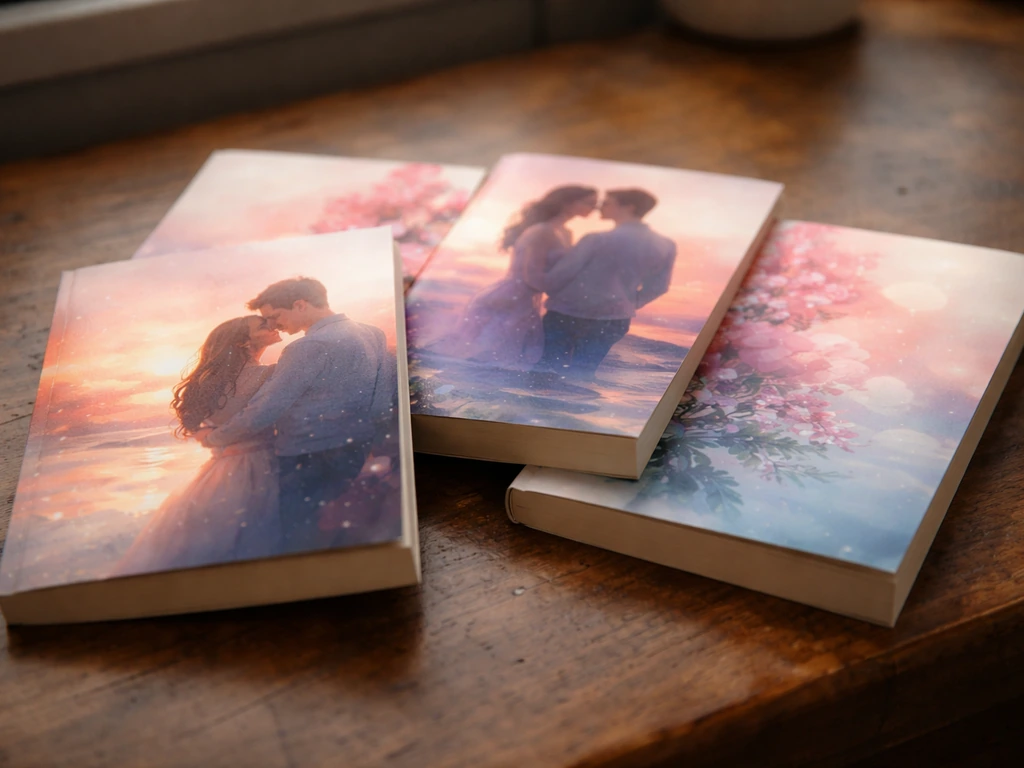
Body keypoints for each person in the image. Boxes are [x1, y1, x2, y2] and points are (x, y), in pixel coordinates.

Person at [199, 277, 398, 554]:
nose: (273, 325)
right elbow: (381, 400)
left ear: (300, 305)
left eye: (274, 316)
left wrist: (216, 438)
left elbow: (265, 409)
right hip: (357, 447)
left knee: (298, 535)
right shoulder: (373, 333)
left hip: (307, 455)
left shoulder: (305, 348)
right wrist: (374, 440)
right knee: (345, 526)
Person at [113, 315, 284, 575]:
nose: (272, 325)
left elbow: (203, 431)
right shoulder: (268, 375)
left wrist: (216, 438)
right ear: (242, 342)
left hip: (219, 472)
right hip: (261, 467)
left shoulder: (210, 384)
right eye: (263, 325)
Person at [430, 185, 598, 368]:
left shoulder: (565, 233)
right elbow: (531, 276)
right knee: (485, 359)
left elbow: (561, 269)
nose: (594, 208)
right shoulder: (540, 231)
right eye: (589, 203)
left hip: (527, 299)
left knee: (501, 360)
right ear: (569, 203)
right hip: (508, 298)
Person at [536, 188, 676, 379]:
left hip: (567, 313)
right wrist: (626, 303)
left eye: (607, 203)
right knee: (582, 376)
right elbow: (659, 287)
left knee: (546, 372)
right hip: (614, 320)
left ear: (629, 207)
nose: (600, 207)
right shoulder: (665, 244)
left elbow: (559, 277)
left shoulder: (596, 239)